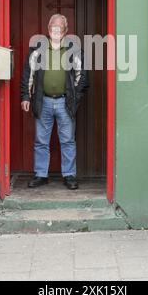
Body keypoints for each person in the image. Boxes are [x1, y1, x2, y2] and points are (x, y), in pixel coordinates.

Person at [20, 14, 88, 190]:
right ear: (49, 30)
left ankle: (69, 175)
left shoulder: (73, 50)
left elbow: (82, 77)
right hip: (44, 102)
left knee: (67, 140)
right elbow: (29, 74)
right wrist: (26, 97)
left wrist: (75, 98)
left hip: (66, 103)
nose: (56, 31)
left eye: (60, 28)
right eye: (53, 28)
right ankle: (41, 175)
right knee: (41, 141)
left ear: (65, 31)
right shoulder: (38, 49)